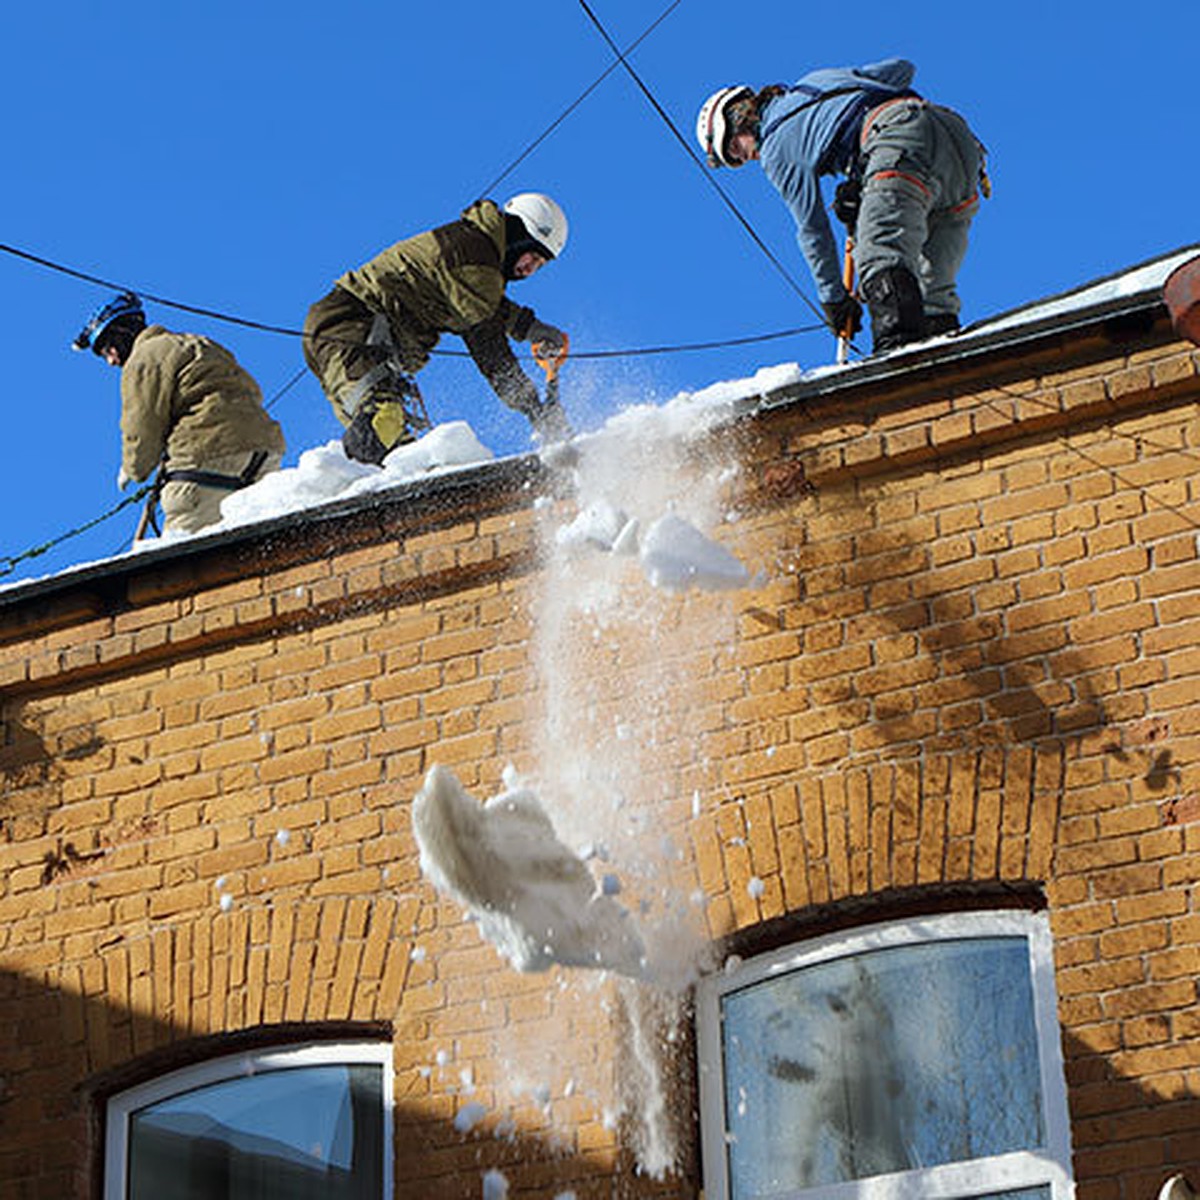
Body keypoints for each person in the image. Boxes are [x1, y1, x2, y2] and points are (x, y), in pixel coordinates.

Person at [696, 59, 987, 353]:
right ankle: (946, 363)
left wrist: (834, 299)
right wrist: (861, 167)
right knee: (930, 293)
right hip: (958, 142)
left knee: (879, 254)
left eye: (735, 150)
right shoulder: (815, 81)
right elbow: (903, 69)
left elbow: (813, 230)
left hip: (897, 139)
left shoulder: (774, 145)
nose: (749, 158)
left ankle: (900, 362)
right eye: (736, 160)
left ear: (738, 119)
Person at [304, 193, 572, 465]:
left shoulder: (477, 254)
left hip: (349, 329)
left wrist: (530, 328)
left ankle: (371, 494)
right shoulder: (474, 253)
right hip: (352, 326)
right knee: (383, 419)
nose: (530, 269)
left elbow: (485, 306)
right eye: (533, 256)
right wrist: (535, 410)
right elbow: (488, 344)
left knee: (393, 452)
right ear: (519, 234)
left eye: (539, 265)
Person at [73, 292, 286, 535]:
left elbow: (142, 425)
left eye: (108, 349)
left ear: (123, 333)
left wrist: (133, 468)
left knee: (183, 564)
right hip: (263, 452)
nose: (111, 361)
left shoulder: (144, 359)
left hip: (205, 460)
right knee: (258, 546)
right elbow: (251, 390)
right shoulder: (200, 343)